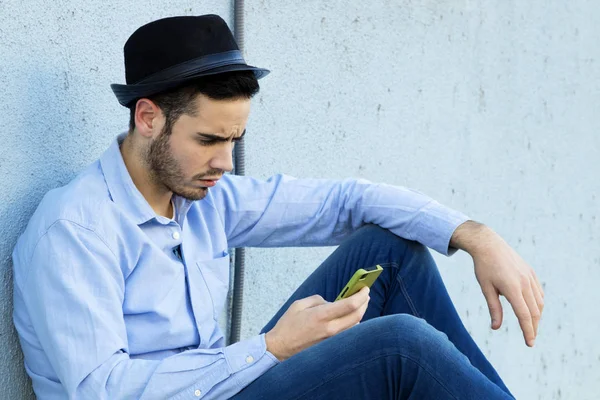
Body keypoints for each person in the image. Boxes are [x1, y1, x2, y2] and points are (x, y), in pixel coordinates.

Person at [12, 15, 543, 400]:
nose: (223, 162)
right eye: (208, 139)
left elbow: (347, 202)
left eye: (234, 141)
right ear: (148, 118)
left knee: (391, 249)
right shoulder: (76, 230)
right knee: (400, 346)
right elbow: (104, 392)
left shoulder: (203, 196)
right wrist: (269, 348)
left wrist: (474, 235)